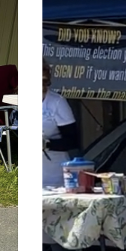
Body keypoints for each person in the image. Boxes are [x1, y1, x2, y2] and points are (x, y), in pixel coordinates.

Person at [42, 61, 80, 189]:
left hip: (54, 177)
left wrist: (47, 144)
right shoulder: (16, 101)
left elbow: (72, 141)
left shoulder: (57, 102)